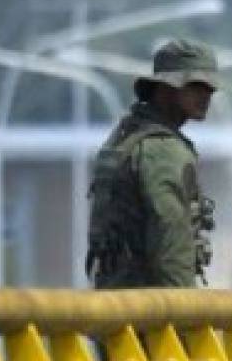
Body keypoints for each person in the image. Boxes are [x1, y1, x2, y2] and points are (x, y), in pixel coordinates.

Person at [86, 38, 219, 289]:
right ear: (165, 87)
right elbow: (170, 247)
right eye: (196, 85)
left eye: (210, 88)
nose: (206, 95)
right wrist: (186, 317)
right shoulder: (163, 150)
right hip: (150, 312)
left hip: (118, 304)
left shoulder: (129, 135)